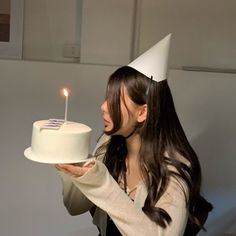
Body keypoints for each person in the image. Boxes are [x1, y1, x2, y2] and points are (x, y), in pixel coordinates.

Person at [56, 34, 212, 236]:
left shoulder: (174, 167)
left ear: (142, 112)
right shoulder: (108, 144)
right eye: (106, 98)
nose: (103, 107)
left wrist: (101, 181)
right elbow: (74, 206)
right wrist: (70, 158)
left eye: (115, 101)